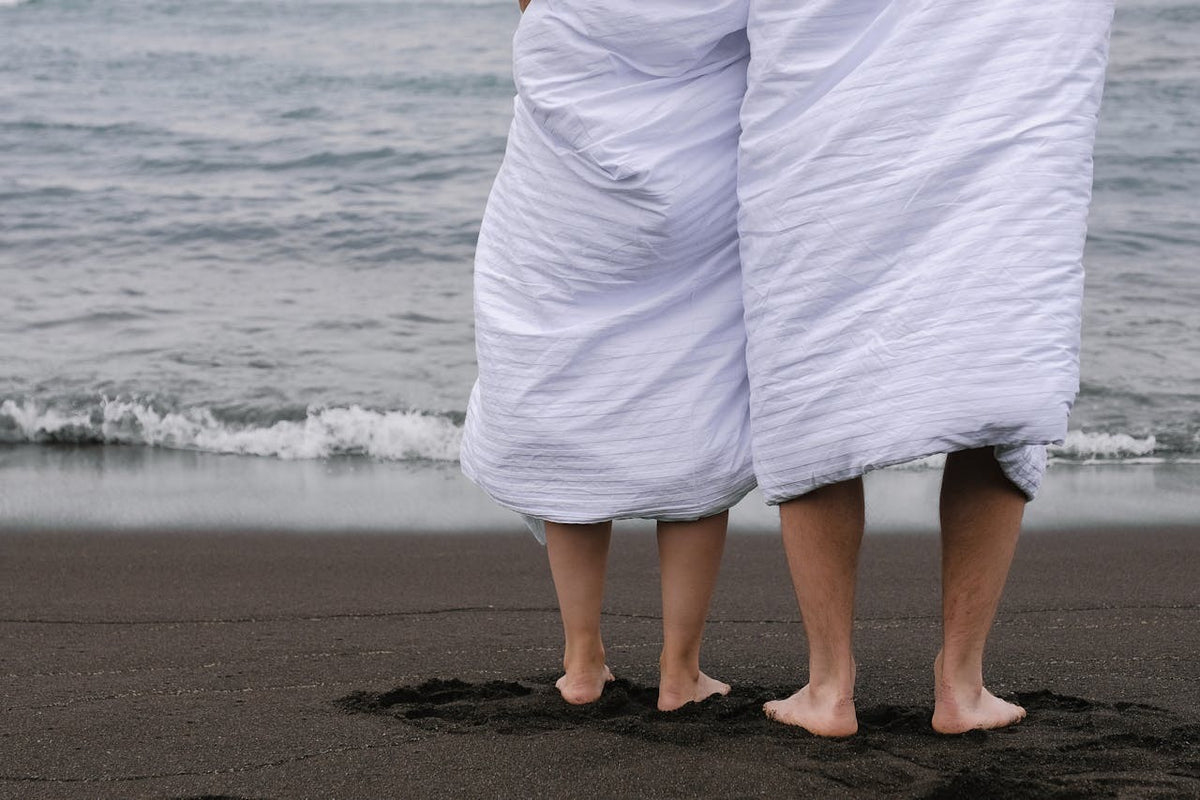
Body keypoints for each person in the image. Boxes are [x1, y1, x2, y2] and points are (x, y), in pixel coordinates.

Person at [736, 0, 1117, 735]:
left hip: (827, 89)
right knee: (995, 352)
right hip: (1011, 51)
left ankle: (829, 684)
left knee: (815, 359)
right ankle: (962, 683)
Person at [460, 0, 756, 710]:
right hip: (693, 173)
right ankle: (681, 674)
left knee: (571, 386)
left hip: (566, 182)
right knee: (694, 393)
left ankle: (584, 661)